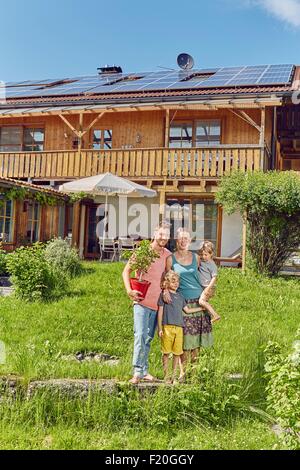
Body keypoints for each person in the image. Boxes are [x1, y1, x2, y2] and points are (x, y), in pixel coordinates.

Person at [122, 224, 171, 385]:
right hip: (142, 302)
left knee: (148, 338)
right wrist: (129, 290)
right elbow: (126, 271)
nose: (164, 238)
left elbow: (168, 276)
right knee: (140, 335)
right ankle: (137, 371)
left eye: (167, 235)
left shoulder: (167, 255)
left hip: (158, 304)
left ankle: (143, 371)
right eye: (161, 234)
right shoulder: (144, 252)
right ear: (155, 234)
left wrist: (166, 289)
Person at [165, 229, 213, 367]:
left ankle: (194, 372)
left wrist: (208, 291)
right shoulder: (170, 259)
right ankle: (183, 372)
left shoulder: (196, 258)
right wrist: (165, 291)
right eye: (180, 238)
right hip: (182, 303)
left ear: (190, 241)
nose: (183, 241)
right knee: (184, 339)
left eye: (186, 238)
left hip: (198, 301)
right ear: (176, 240)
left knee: (196, 340)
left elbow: (205, 275)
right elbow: (168, 279)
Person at [158, 271, 202, 384]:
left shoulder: (181, 296)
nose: (176, 283)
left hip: (179, 328)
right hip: (167, 327)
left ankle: (174, 376)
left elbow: (187, 310)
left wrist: (201, 309)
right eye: (173, 281)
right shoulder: (164, 295)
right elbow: (160, 312)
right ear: (167, 283)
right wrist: (160, 328)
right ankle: (166, 376)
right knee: (166, 353)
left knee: (177, 353)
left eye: (177, 281)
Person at [198, 241, 221, 323]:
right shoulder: (203, 262)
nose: (204, 257)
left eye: (206, 255)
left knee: (202, 301)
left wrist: (208, 288)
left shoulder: (212, 264)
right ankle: (208, 316)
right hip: (204, 287)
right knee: (204, 303)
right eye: (202, 254)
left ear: (211, 254)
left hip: (209, 287)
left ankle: (215, 315)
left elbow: (214, 277)